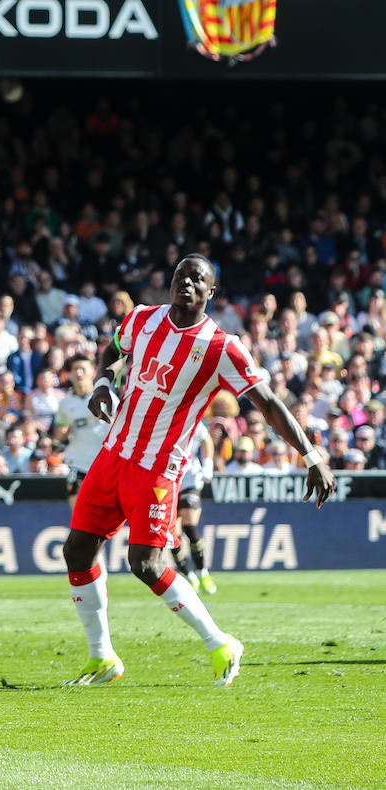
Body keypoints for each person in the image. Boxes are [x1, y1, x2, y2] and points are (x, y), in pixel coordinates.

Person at [62, 255, 336, 689]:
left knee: (146, 564)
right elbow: (115, 348)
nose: (186, 282)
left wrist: (311, 455)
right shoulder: (141, 318)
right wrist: (102, 382)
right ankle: (102, 657)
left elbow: (267, 403)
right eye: (180, 275)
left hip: (156, 468)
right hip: (112, 453)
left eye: (197, 279)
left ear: (212, 292)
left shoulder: (221, 347)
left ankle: (220, 642)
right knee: (76, 551)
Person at [52, 355, 110, 508]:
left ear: (92, 371)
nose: (78, 373)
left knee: (101, 511)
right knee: (77, 507)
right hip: (77, 462)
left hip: (102, 463)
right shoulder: (65, 404)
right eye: (75, 369)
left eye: (82, 369)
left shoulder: (107, 398)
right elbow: (58, 434)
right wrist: (64, 431)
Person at [169, 414, 216, 595]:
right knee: (172, 534)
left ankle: (203, 571)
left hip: (189, 479)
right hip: (168, 480)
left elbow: (206, 440)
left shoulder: (192, 420)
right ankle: (188, 574)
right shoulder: (163, 421)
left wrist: (208, 465)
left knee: (190, 526)